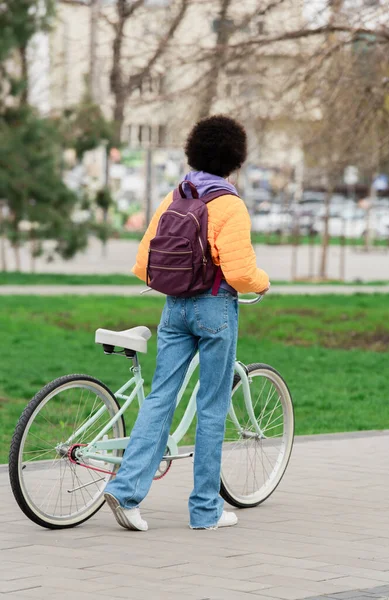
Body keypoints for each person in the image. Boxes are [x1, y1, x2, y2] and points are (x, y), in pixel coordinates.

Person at [104, 115, 270, 531]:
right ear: (235, 160)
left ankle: (125, 491)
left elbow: (145, 260)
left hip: (173, 308)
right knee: (211, 407)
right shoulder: (229, 204)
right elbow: (240, 273)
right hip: (214, 307)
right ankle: (204, 510)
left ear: (193, 151)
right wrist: (263, 283)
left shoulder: (175, 195)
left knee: (161, 398)